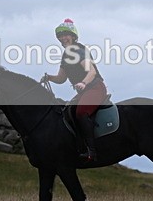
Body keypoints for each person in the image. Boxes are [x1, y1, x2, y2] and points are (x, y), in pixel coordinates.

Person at [41, 19, 107, 162]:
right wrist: (49, 78)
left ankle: (92, 152)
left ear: (73, 36)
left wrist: (83, 83)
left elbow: (92, 72)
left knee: (81, 112)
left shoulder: (79, 50)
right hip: (84, 91)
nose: (63, 38)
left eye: (66, 35)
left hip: (95, 88)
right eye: (60, 36)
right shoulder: (66, 56)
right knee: (66, 113)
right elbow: (61, 78)